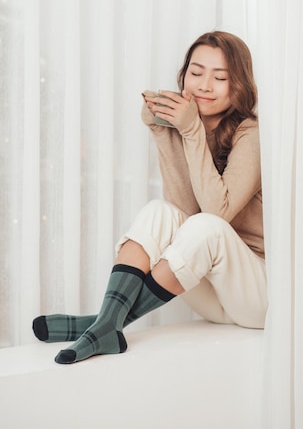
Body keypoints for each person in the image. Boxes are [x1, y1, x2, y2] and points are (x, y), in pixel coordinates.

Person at [32, 30, 267, 364]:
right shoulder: (192, 125)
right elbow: (184, 210)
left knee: (206, 227)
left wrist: (189, 131)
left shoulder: (251, 134)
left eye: (220, 77)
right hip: (212, 295)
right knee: (160, 210)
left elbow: (216, 213)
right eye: (196, 73)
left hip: (255, 295)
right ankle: (107, 323)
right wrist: (163, 132)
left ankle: (104, 322)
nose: (204, 85)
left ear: (239, 84)